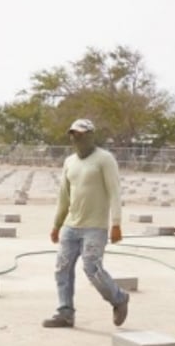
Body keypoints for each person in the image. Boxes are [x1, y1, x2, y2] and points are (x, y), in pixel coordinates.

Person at [42, 118, 129, 328]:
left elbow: (115, 192)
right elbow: (64, 196)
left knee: (92, 268)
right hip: (70, 226)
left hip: (94, 227)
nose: (76, 138)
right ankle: (65, 312)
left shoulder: (104, 159)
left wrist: (116, 223)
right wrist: (57, 225)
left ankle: (119, 299)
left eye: (80, 134)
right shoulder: (70, 162)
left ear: (90, 135)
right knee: (62, 268)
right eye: (73, 134)